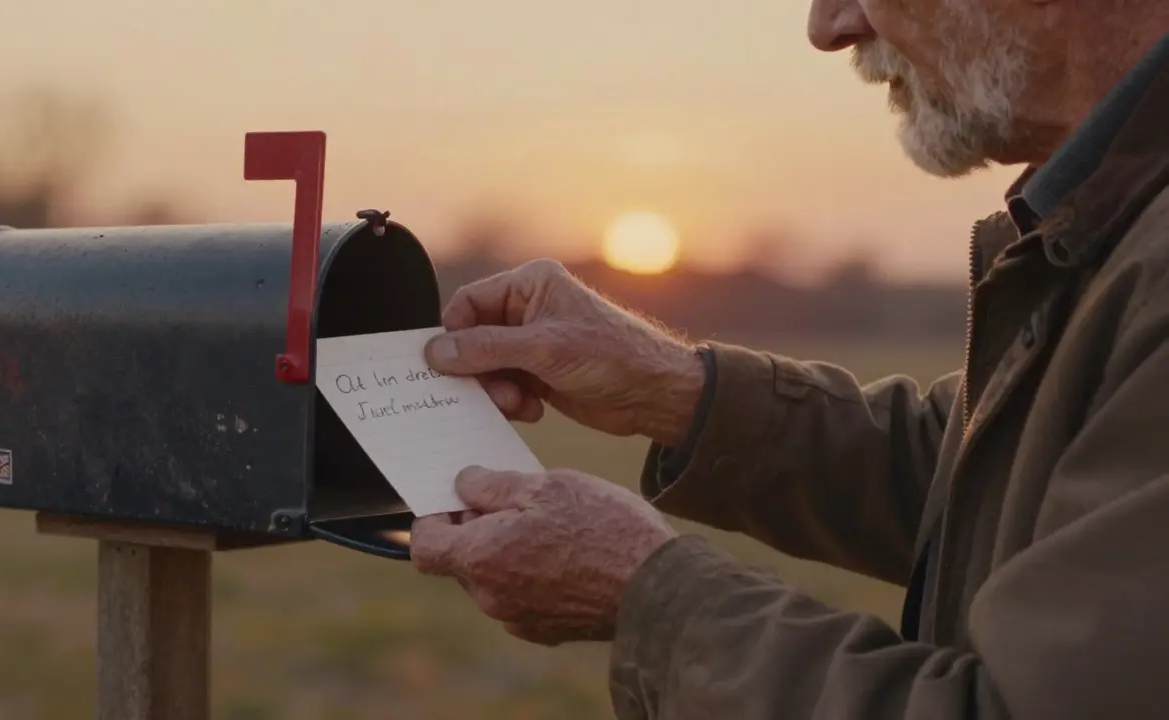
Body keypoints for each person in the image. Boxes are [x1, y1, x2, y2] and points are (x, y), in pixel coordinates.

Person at [408, 0, 1169, 714]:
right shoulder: (1120, 215)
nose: (829, 26)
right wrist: (680, 392)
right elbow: (998, 463)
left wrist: (646, 595)